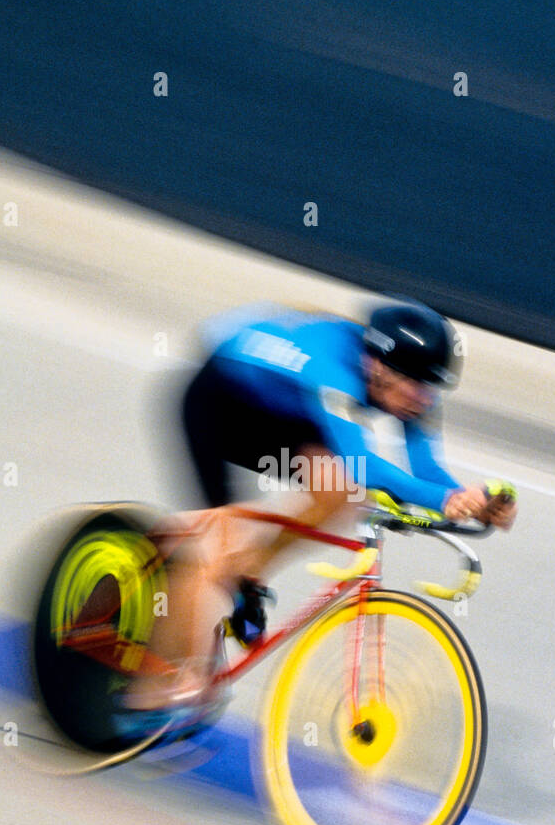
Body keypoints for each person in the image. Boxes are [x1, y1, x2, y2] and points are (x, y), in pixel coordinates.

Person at [123, 300, 516, 726]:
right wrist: (443, 501)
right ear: (378, 367)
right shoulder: (335, 368)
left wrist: (470, 500)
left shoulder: (406, 381)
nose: (424, 399)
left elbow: (423, 468)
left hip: (285, 412)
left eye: (432, 388)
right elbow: (361, 464)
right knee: (217, 543)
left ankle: (248, 571)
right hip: (218, 401)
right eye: (416, 386)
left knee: (341, 495)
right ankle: (152, 687)